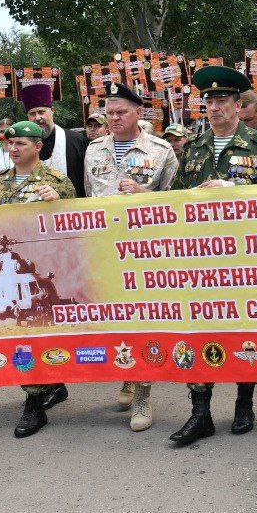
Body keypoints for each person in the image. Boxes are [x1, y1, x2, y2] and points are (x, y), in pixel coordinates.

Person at [169, 65, 257, 446]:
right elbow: (176, 203)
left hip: (244, 258)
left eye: (222, 100)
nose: (214, 107)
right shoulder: (194, 150)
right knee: (198, 331)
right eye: (209, 101)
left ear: (239, 104)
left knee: (243, 331)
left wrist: (231, 189)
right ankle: (200, 412)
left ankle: (244, 402)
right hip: (200, 260)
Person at [0, 120, 74, 437]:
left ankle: (36, 400)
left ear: (38, 147)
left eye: (20, 144)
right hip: (7, 277)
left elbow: (73, 224)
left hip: (39, 271)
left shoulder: (58, 182)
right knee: (16, 331)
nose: (12, 149)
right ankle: (42, 391)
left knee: (39, 331)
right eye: (9, 144)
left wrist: (59, 201)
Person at [83, 82, 179, 431]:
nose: (114, 118)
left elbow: (176, 202)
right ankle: (127, 374)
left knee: (142, 319)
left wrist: (144, 194)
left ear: (139, 113)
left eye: (121, 112)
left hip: (144, 250)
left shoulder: (161, 149)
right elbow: (87, 197)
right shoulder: (94, 149)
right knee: (114, 317)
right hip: (105, 248)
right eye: (109, 113)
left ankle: (143, 392)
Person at [21, 82, 88, 197]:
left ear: (52, 110)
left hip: (71, 210)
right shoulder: (22, 145)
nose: (37, 118)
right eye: (32, 114)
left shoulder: (76, 140)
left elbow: (87, 181)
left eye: (41, 112)